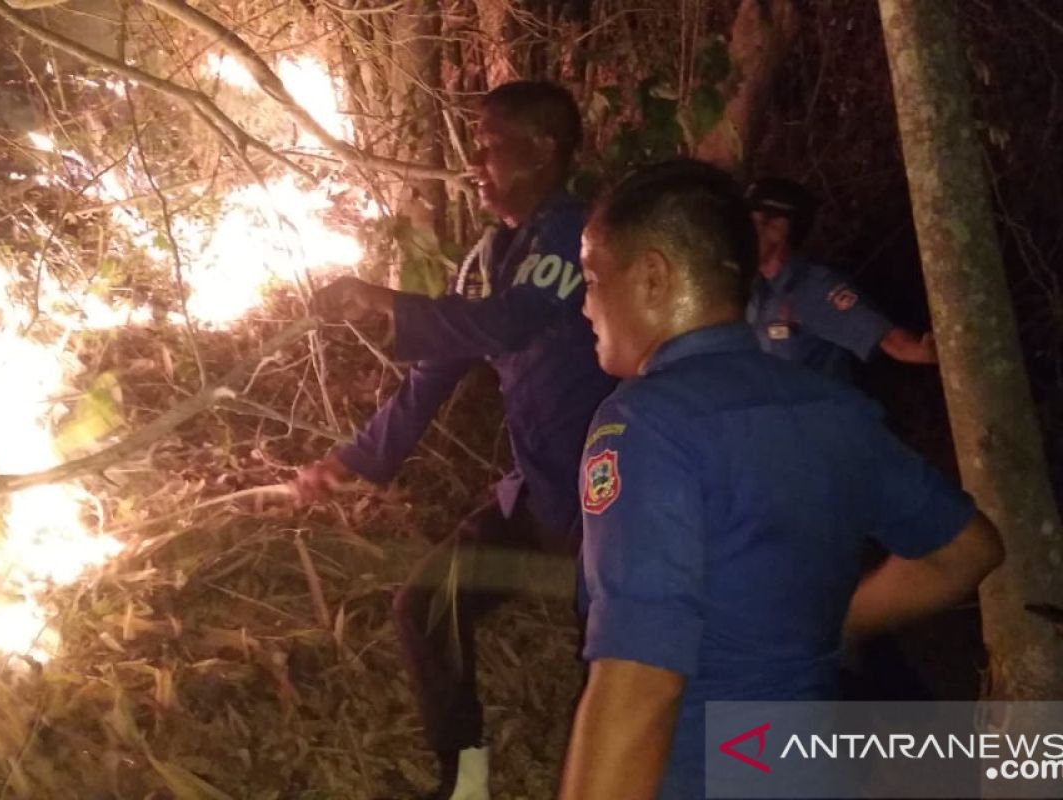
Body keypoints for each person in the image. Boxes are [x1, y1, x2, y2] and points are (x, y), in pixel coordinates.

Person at [557, 161, 1004, 800]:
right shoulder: (834, 409)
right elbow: (967, 551)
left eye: (595, 279)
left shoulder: (645, 423)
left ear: (653, 277)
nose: (585, 304)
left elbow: (639, 685)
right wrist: (830, 622)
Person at [297, 81, 617, 800]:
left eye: (490, 144)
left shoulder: (576, 232)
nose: (476, 161)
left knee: (613, 658)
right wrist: (355, 457)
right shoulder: (490, 251)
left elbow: (509, 322)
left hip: (608, 494)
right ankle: (465, 780)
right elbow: (438, 366)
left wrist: (380, 297)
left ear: (541, 148)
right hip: (537, 490)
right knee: (426, 603)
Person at [745, 177, 937, 381]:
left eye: (749, 225)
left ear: (778, 229)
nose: (739, 236)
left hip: (824, 410)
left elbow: (890, 340)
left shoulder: (815, 288)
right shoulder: (753, 290)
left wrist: (925, 351)